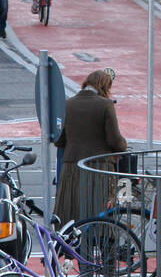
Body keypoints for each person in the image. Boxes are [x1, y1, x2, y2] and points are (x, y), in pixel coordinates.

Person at [55, 69, 128, 225]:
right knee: (98, 212)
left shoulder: (67, 104)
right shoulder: (105, 105)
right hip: (98, 166)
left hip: (71, 167)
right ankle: (98, 241)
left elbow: (59, 140)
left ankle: (69, 243)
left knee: (71, 209)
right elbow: (114, 140)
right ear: (104, 86)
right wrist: (124, 145)